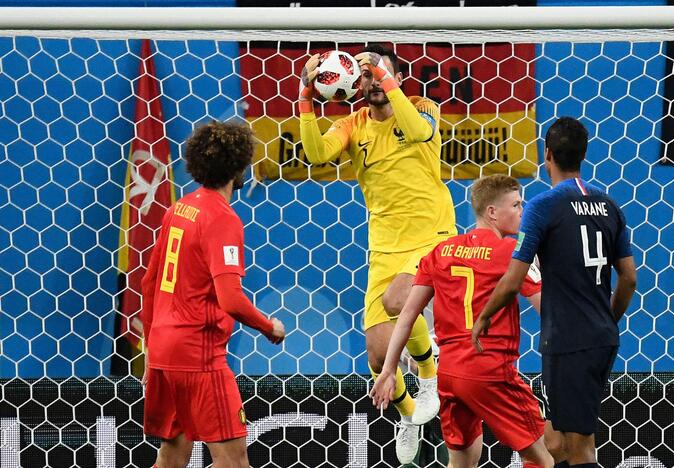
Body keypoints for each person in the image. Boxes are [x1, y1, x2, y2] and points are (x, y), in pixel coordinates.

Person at [299, 44, 457, 464]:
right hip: (384, 244)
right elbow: (316, 154)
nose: (371, 81)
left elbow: (420, 132)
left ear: (398, 79)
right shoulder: (353, 124)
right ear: (355, 83)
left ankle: (428, 371)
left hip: (432, 233)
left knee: (396, 299)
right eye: (364, 75)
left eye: (379, 72)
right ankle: (410, 416)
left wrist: (384, 74)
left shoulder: (423, 107)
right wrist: (305, 96)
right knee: (376, 352)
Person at [472, 117, 637, 468]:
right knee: (557, 440)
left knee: (579, 450)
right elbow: (629, 279)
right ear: (584, 155)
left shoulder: (544, 206)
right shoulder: (609, 207)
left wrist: (484, 316)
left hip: (568, 340)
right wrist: (607, 318)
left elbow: (514, 279)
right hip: (600, 335)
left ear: (546, 154)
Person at [370, 174, 553, 468]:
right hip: (490, 370)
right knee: (543, 460)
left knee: (462, 461)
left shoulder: (442, 252)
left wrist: (389, 369)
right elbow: (547, 309)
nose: (523, 210)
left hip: (451, 375)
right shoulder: (512, 252)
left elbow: (406, 315)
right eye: (517, 204)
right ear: (492, 212)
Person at [140, 120, 286, 468]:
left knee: (172, 456)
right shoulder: (222, 218)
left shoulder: (179, 208)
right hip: (198, 356)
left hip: (163, 351)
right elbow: (231, 299)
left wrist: (150, 348)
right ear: (240, 166)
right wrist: (270, 328)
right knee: (233, 461)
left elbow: (149, 283)